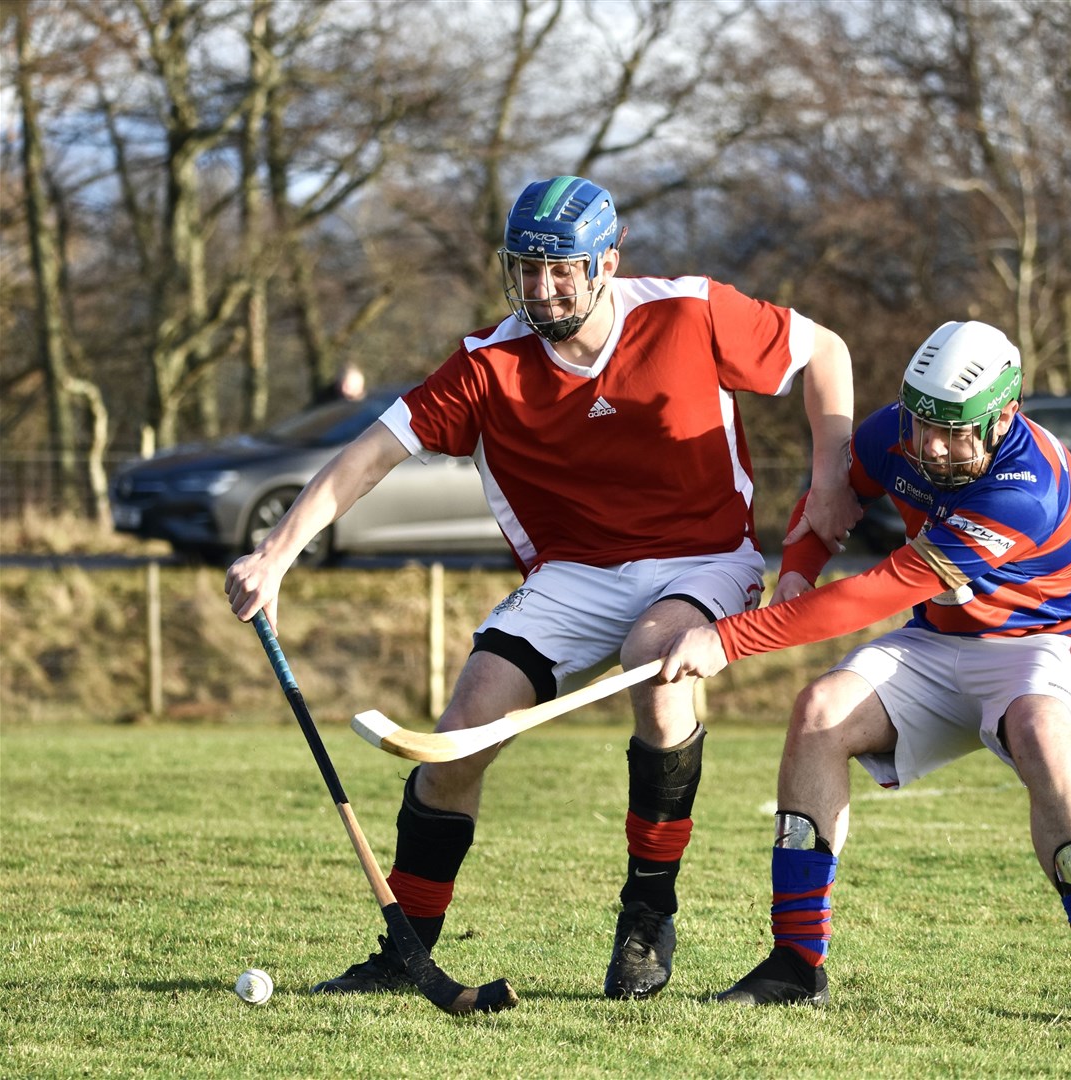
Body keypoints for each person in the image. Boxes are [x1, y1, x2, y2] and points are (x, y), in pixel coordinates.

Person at [224, 175, 860, 1007]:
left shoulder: (688, 309)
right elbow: (373, 453)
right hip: (571, 575)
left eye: (561, 269)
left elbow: (828, 353)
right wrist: (275, 554)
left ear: (608, 262)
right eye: (526, 268)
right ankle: (405, 951)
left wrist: (829, 477)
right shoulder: (488, 363)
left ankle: (646, 912)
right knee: (461, 733)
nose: (542, 288)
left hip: (702, 557)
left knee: (658, 668)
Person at [658, 319, 1071, 1022]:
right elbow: (829, 499)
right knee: (817, 714)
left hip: (1045, 641)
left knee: (1040, 731)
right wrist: (797, 574)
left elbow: (880, 590)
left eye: (953, 432)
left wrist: (733, 638)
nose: (930, 446)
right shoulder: (900, 431)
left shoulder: (1023, 489)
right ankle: (795, 962)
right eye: (920, 422)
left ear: (1003, 416)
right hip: (940, 637)